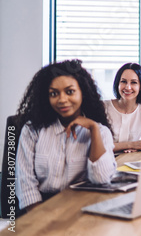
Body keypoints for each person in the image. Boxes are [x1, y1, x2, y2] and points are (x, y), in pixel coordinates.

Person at [15, 59, 116, 211]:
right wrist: (40, 220)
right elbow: (25, 184)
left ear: (83, 92)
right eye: (54, 93)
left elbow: (101, 179)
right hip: (41, 208)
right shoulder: (32, 130)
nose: (62, 100)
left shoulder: (100, 132)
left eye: (70, 92)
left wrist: (93, 129)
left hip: (83, 208)